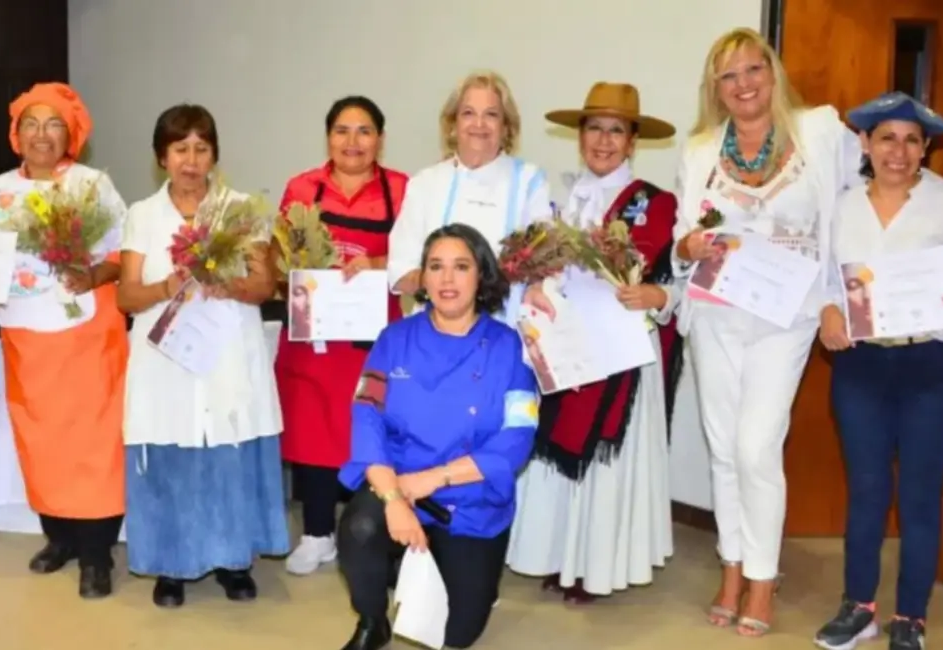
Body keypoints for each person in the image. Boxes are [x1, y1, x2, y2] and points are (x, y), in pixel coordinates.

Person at [669, 27, 866, 636]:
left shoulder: (820, 131)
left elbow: (862, 202)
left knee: (756, 445)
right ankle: (732, 569)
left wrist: (839, 299)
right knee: (723, 448)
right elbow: (682, 238)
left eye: (753, 69)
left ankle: (762, 577)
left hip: (788, 316)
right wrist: (689, 245)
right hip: (716, 313)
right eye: (728, 76)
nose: (743, 84)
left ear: (773, 72)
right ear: (715, 88)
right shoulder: (700, 149)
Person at [813, 92, 943, 650]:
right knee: (867, 490)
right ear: (865, 144)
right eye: (887, 138)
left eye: (912, 140)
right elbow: (825, 282)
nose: (899, 150)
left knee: (919, 495)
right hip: (862, 366)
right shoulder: (843, 206)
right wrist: (828, 314)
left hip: (932, 367)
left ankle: (911, 616)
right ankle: (859, 607)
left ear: (926, 148)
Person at [509, 82, 680, 603]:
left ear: (633, 142)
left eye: (616, 130)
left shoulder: (656, 204)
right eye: (595, 129)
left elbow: (674, 283)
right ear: (580, 136)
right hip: (568, 347)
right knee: (555, 443)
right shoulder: (558, 203)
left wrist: (656, 294)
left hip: (621, 355)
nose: (604, 141)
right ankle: (559, 555)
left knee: (608, 460)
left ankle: (597, 566)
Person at [335, 223, 539, 650]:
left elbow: (516, 439)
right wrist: (394, 499)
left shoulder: (509, 347)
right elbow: (366, 417)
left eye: (461, 267)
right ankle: (373, 619)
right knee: (360, 528)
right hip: (398, 485)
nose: (447, 279)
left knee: (456, 634)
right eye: (436, 266)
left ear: (481, 276)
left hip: (469, 500)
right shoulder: (394, 339)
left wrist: (428, 481)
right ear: (423, 278)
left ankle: (451, 574)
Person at [117, 104, 289, 609]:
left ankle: (235, 562)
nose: (191, 161)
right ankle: (170, 564)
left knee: (229, 451)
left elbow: (264, 285)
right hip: (165, 358)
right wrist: (167, 285)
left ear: (214, 154)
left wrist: (225, 283)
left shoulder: (240, 208)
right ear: (161, 158)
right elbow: (126, 296)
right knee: (171, 452)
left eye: (201, 148)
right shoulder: (142, 214)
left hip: (227, 350)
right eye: (180, 149)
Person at [0, 82, 129, 598]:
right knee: (41, 443)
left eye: (54, 123)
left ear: (72, 134)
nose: (42, 134)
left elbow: (124, 254)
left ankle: (96, 554)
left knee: (94, 446)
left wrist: (94, 275)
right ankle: (58, 537)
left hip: (89, 336)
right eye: (31, 124)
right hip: (25, 339)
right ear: (16, 135)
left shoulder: (92, 185)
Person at [274, 96, 408, 576]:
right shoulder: (301, 188)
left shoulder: (402, 189)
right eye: (342, 131)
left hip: (374, 338)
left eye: (364, 131)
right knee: (312, 428)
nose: (353, 142)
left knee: (370, 429)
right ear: (328, 137)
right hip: (315, 335)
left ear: (380, 139)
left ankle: (366, 534)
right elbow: (279, 258)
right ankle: (316, 534)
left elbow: (418, 259)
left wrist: (377, 263)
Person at [386, 71, 551, 320]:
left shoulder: (529, 181)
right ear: (453, 124)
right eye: (468, 113)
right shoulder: (425, 183)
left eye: (491, 115)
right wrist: (450, 288)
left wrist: (537, 287)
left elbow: (544, 264)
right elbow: (400, 271)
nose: (479, 124)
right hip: (434, 333)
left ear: (506, 126)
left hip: (505, 331)